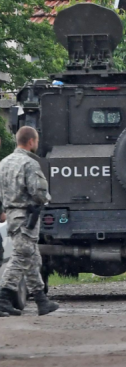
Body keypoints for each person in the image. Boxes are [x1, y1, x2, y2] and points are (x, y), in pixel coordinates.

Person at [0, 126, 58, 316]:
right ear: (31, 142)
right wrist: (44, 199)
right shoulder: (29, 164)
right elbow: (39, 193)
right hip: (26, 216)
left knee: (32, 257)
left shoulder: (4, 163)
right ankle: (3, 297)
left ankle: (41, 300)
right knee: (21, 255)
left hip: (11, 215)